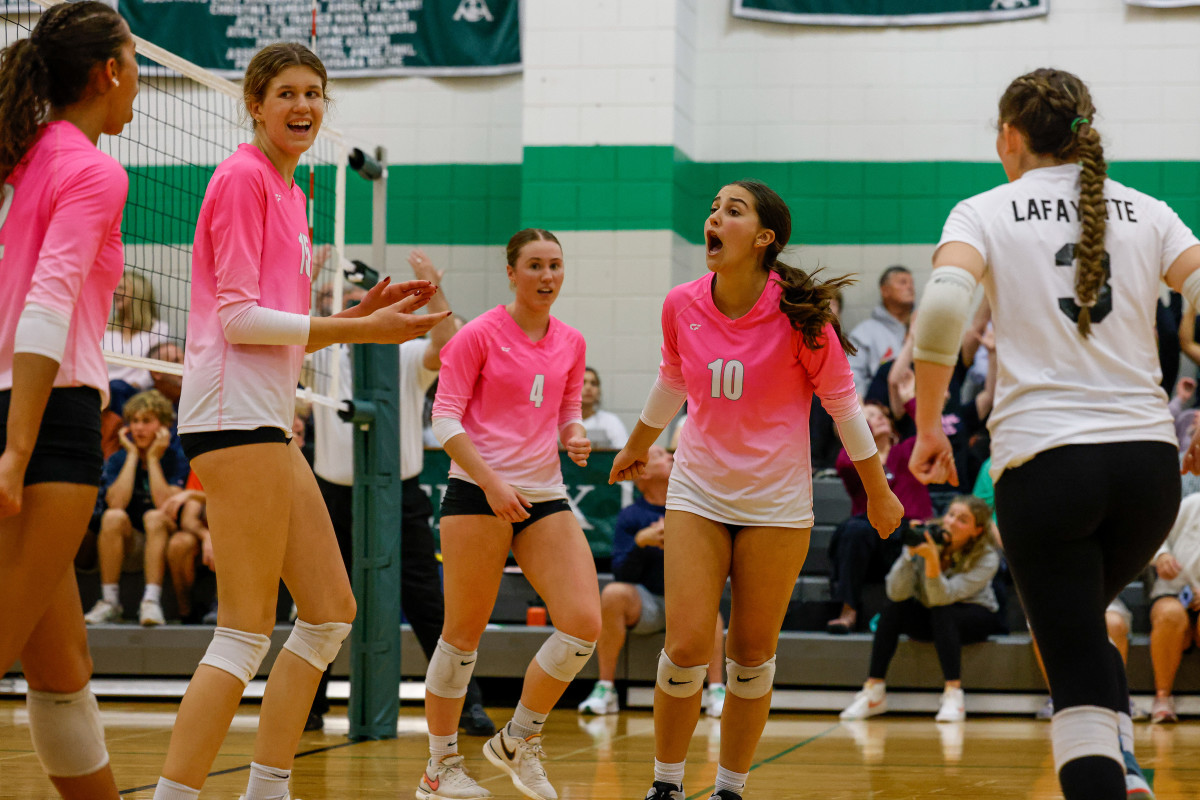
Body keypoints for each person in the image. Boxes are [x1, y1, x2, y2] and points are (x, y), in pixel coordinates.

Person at [150, 43, 448, 800]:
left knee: (328, 612)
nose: (303, 106)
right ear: (254, 102)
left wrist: (357, 314)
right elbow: (242, 319)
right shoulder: (243, 178)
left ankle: (268, 787)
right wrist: (360, 333)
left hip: (266, 419)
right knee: (245, 630)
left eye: (314, 93)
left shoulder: (291, 193)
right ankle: (174, 795)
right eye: (286, 93)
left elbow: (274, 318)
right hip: (230, 415)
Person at [908, 68, 1200, 800]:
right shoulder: (1152, 211)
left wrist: (927, 427)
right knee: (1081, 627)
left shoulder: (984, 210)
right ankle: (1127, 768)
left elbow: (943, 312)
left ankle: (1110, 774)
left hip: (1048, 469)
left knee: (1069, 662)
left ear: (1010, 136)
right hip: (1147, 473)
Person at [609, 180, 903, 800]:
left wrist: (878, 491)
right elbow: (671, 380)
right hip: (698, 491)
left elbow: (846, 409)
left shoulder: (801, 316)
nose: (714, 218)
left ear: (764, 238)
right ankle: (665, 786)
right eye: (713, 208)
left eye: (732, 211)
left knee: (748, 653)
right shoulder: (681, 303)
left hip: (776, 503)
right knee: (688, 644)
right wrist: (638, 444)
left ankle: (730, 788)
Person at [0, 4, 139, 798]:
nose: (139, 88)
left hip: (24, 402)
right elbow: (48, 305)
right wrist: (18, 452)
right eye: (132, 65)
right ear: (106, 73)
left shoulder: (23, 160)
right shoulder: (91, 169)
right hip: (46, 419)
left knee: (61, 670)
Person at [420, 228, 600, 800]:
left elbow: (567, 407)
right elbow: (444, 420)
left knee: (582, 623)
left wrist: (573, 434)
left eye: (556, 266)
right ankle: (440, 767)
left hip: (543, 494)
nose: (548, 277)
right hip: (478, 491)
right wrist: (491, 482)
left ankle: (518, 739)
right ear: (512, 272)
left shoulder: (571, 341)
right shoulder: (477, 335)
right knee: (461, 638)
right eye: (536, 266)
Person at [306, 249, 494, 737]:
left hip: (398, 497)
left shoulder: (405, 352)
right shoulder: (323, 353)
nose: (359, 306)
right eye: (351, 302)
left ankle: (468, 704)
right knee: (322, 603)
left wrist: (431, 286)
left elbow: (447, 343)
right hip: (334, 498)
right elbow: (296, 330)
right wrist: (315, 274)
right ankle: (308, 708)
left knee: (429, 604)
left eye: (365, 299)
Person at [578, 445, 727, 718]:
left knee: (710, 609)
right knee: (613, 594)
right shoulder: (631, 516)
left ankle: (716, 690)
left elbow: (713, 566)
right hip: (648, 604)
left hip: (686, 605)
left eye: (669, 455)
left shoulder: (694, 509)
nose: (670, 456)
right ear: (642, 474)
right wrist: (641, 543)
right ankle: (605, 688)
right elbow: (623, 574)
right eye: (659, 455)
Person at [839, 495, 1005, 722]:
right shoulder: (927, 535)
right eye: (951, 514)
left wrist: (932, 561)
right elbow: (895, 592)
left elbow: (942, 597)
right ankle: (874, 691)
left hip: (975, 615)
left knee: (942, 610)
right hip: (935, 612)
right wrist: (909, 554)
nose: (952, 522)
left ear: (976, 530)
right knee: (893, 608)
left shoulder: (986, 556)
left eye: (963, 520)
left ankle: (953, 695)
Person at [83, 389, 188, 626]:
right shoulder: (120, 458)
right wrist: (132, 456)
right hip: (130, 541)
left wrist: (152, 459)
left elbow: (166, 507)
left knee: (154, 516)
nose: (139, 428)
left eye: (147, 421)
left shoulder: (175, 457)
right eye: (134, 421)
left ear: (163, 426)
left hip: (164, 537)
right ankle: (110, 603)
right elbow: (116, 503)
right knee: (113, 516)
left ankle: (151, 601)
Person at [826, 401, 932, 633]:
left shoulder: (906, 452)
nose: (881, 418)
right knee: (854, 529)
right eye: (870, 417)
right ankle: (848, 610)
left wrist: (909, 401)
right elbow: (844, 460)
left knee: (916, 532)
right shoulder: (853, 463)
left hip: (906, 535)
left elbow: (928, 433)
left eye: (883, 415)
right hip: (870, 543)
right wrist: (855, 419)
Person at [1147, 492, 1200, 724]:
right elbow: (1155, 536)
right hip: (1173, 592)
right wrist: (1162, 555)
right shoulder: (1192, 504)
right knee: (1170, 615)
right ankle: (1162, 699)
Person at [847, 265, 913, 398]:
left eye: (912, 283)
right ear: (885, 290)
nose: (910, 287)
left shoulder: (920, 330)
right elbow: (851, 377)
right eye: (903, 282)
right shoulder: (864, 333)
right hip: (879, 411)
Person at [579, 366, 627, 449]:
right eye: (583, 382)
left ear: (598, 391)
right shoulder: (558, 422)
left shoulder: (611, 421)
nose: (588, 387)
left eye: (593, 383)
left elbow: (624, 452)